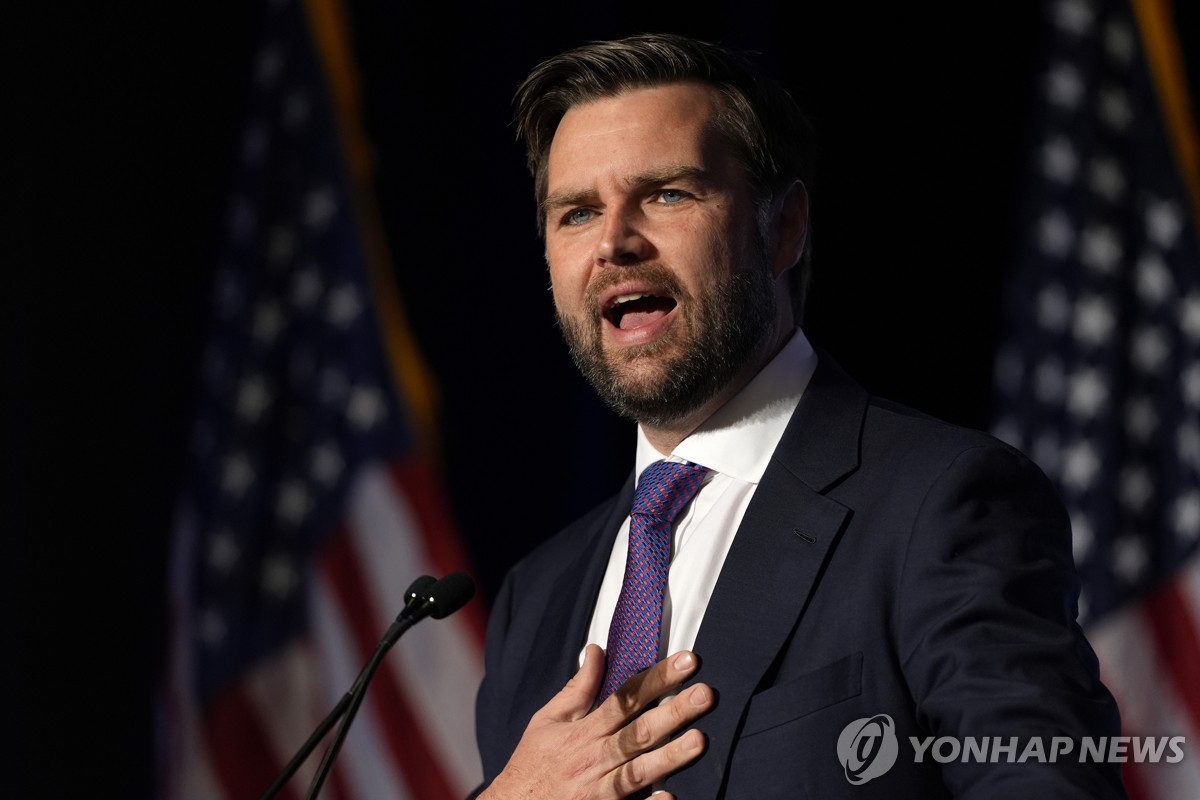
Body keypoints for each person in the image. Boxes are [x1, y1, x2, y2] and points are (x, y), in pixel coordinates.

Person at [470, 33, 1126, 799]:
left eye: (667, 194)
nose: (614, 240)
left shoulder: (941, 502)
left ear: (784, 228)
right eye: (576, 212)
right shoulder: (533, 600)